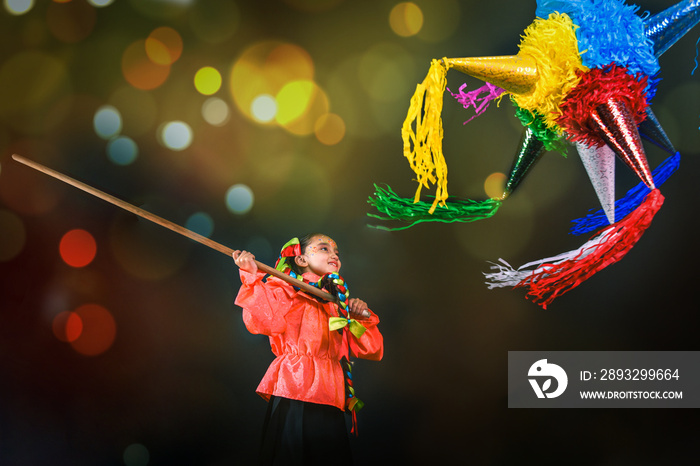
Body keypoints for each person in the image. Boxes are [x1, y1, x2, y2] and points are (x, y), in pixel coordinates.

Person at [233, 233, 384, 465]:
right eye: (324, 248)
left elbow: (370, 348)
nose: (334, 255)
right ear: (301, 259)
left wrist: (360, 317)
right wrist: (250, 276)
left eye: (337, 253)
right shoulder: (286, 286)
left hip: (330, 393)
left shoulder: (337, 303)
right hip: (294, 386)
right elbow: (265, 322)